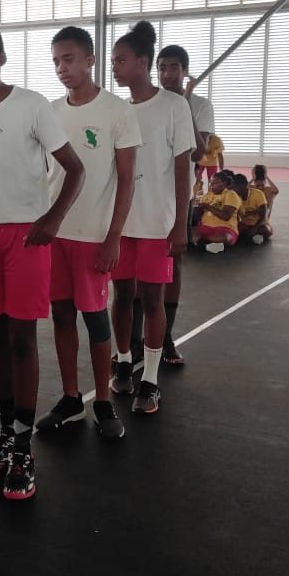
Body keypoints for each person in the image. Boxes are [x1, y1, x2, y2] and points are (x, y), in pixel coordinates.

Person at [0, 20, 84, 500]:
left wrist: (53, 218)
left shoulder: (31, 105)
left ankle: (24, 447)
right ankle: (7, 433)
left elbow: (75, 168)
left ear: (0, 58)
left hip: (27, 234)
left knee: (22, 338)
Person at [36, 26, 139, 440]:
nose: (62, 68)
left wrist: (114, 236)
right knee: (61, 314)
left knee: (96, 320)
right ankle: (70, 399)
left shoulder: (117, 111)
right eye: (56, 61)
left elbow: (127, 180)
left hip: (94, 236)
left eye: (69, 59)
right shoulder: (50, 112)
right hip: (56, 234)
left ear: (91, 60)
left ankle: (102, 401)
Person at [109, 21, 194, 415]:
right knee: (122, 295)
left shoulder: (174, 107)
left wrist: (179, 224)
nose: (114, 67)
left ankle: (151, 379)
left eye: (121, 60)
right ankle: (124, 361)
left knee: (153, 299)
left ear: (142, 62)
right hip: (120, 224)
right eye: (113, 61)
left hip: (158, 223)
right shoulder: (116, 110)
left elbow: (182, 171)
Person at [154, 45, 207, 366]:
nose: (167, 74)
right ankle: (136, 340)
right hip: (145, 196)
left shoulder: (199, 105)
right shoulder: (149, 101)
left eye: (173, 67)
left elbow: (199, 152)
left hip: (177, 196)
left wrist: (184, 104)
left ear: (184, 71)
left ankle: (166, 337)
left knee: (172, 267)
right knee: (140, 272)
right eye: (162, 68)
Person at [192, 170, 241, 254]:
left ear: (224, 184)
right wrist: (197, 209)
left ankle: (202, 243)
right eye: (210, 183)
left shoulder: (231, 194)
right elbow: (197, 217)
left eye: (215, 183)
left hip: (225, 228)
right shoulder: (206, 196)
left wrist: (207, 206)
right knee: (191, 233)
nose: (211, 185)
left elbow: (226, 216)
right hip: (206, 227)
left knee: (224, 237)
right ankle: (209, 245)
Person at [232, 173, 271, 244]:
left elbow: (263, 215)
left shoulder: (258, 194)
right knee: (233, 230)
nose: (233, 190)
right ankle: (253, 237)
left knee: (265, 230)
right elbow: (235, 216)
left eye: (234, 187)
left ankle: (252, 236)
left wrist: (255, 228)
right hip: (245, 223)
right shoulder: (235, 196)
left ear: (243, 185)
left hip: (260, 224)